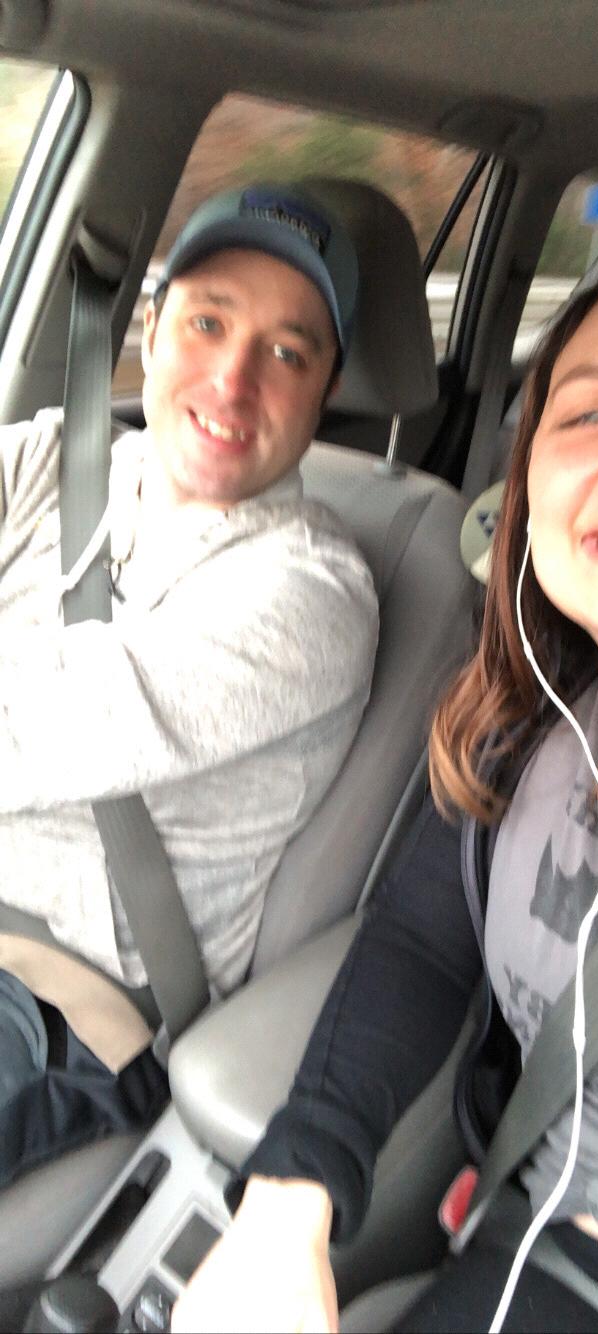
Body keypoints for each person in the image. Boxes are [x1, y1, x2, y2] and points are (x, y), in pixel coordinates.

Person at [172, 233, 598, 1334]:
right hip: (524, 1232)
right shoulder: (524, 720)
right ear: (527, 484)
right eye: (590, 412)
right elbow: (420, 942)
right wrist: (288, 1200)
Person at [0, 182, 379, 1186]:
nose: (233, 380)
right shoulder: (48, 460)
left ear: (329, 385)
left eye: (286, 353)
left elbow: (39, 728)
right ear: (152, 328)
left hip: (59, 997)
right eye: (208, 323)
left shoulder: (312, 596)